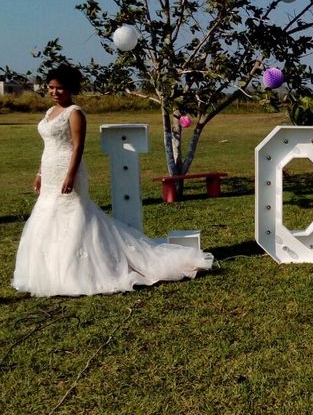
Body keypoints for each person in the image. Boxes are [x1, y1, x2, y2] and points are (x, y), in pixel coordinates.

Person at [12, 65, 213, 297]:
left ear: (70, 89)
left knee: (74, 216)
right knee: (48, 216)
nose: (55, 92)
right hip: (49, 169)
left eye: (60, 88)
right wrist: (40, 173)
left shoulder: (74, 112)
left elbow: (78, 146)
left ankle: (78, 271)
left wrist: (70, 175)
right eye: (51, 88)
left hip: (69, 169)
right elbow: (48, 146)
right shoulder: (49, 113)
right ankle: (49, 271)